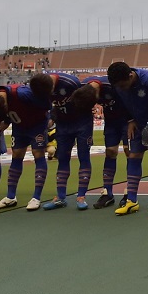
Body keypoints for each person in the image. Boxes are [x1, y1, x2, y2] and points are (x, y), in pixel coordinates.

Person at [106, 62, 148, 216]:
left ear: (130, 76)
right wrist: (130, 120)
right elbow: (121, 104)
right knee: (134, 156)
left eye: (123, 85)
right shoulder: (118, 85)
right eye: (118, 86)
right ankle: (132, 201)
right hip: (138, 124)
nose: (121, 88)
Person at [0, 73, 53, 211]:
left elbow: (47, 104)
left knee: (38, 153)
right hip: (19, 126)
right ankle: (10, 196)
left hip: (37, 125)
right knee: (16, 154)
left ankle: (36, 197)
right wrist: (7, 121)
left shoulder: (23, 94)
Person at [72, 74, 131, 209]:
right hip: (111, 121)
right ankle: (107, 192)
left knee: (129, 151)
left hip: (127, 119)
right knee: (110, 152)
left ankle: (130, 192)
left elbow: (131, 101)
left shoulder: (113, 86)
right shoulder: (84, 88)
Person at [41, 72, 93, 211]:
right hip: (63, 125)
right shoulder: (43, 86)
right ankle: (60, 197)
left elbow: (87, 97)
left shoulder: (71, 82)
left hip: (82, 123)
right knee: (62, 158)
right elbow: (54, 106)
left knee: (83, 156)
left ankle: (81, 196)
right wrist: (52, 117)